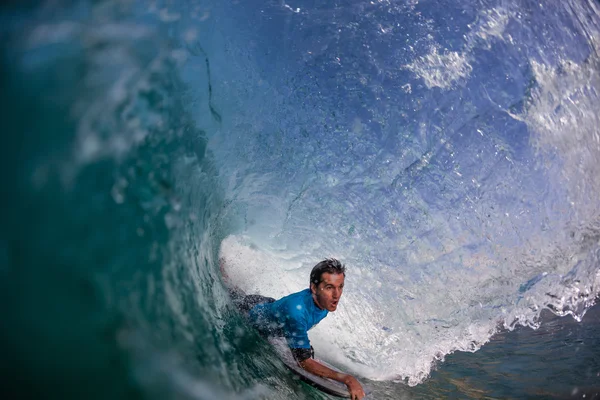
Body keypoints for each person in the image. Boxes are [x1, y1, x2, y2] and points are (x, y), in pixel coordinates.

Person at [221, 258, 366, 400]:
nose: (337, 295)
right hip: (252, 311)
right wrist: (347, 379)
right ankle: (223, 271)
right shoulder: (296, 313)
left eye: (340, 287)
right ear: (314, 288)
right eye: (329, 287)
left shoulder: (325, 300)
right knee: (233, 292)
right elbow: (303, 362)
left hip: (272, 307)